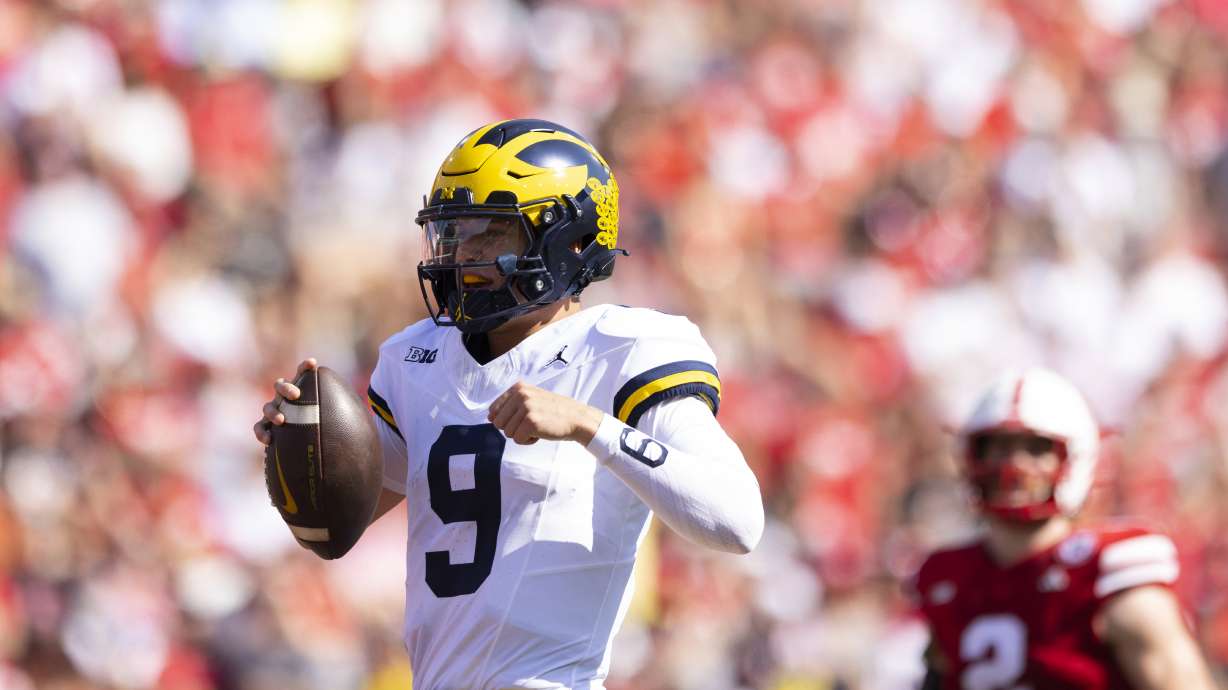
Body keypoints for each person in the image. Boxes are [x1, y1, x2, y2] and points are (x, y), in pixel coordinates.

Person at [253, 119, 764, 689]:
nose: (462, 256)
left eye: (490, 234)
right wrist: (298, 451)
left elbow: (738, 519)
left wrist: (590, 425)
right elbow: (334, 528)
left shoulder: (625, 348)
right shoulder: (414, 358)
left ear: (567, 239)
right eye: (454, 234)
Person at [913, 367, 1218, 690]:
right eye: (996, 447)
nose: (1012, 465)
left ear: (1076, 458)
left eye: (1036, 449)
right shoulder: (948, 576)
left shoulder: (1109, 571)